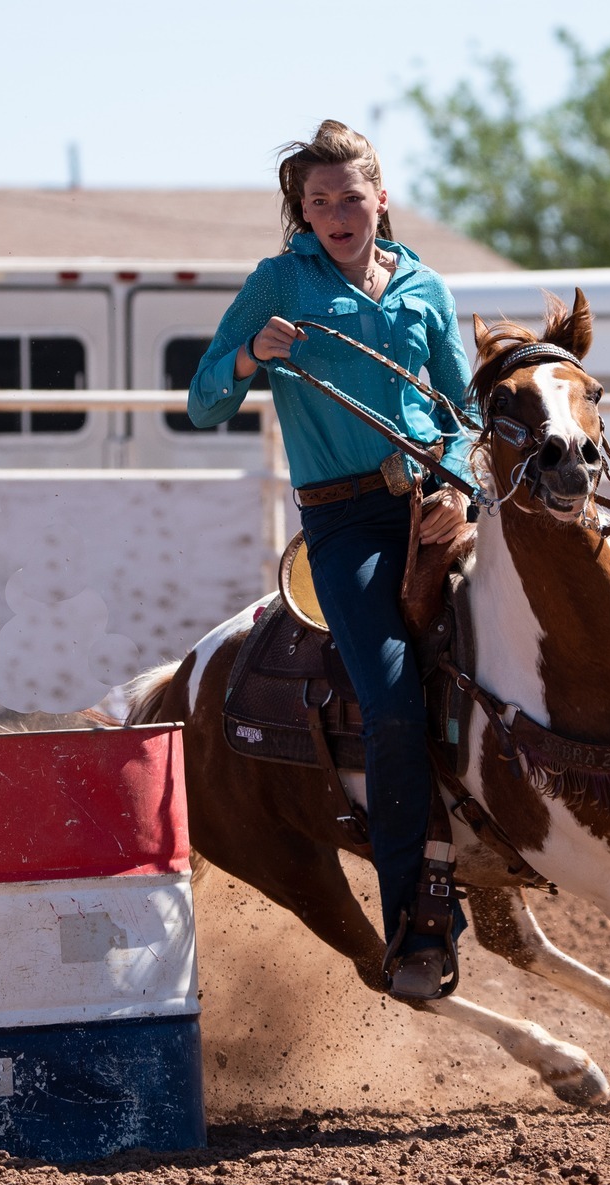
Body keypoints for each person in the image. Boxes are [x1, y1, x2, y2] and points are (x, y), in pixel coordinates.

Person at [188, 120, 475, 1001]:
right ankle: (414, 926)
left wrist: (458, 486)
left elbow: (462, 410)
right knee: (389, 699)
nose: (338, 213)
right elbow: (203, 401)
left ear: (381, 199)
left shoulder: (426, 286)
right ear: (303, 213)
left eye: (351, 197)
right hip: (345, 524)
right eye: (320, 202)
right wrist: (250, 354)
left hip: (432, 507)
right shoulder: (280, 283)